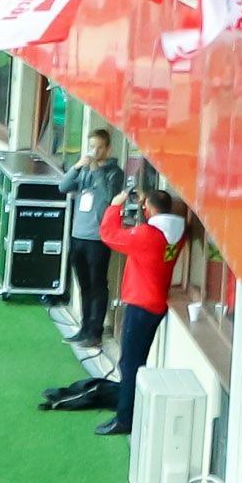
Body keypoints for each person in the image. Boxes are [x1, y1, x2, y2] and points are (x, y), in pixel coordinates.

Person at [96, 184, 189, 437]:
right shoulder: (178, 232)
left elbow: (109, 235)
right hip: (156, 303)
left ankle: (125, 418)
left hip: (140, 305)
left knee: (130, 363)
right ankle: (129, 409)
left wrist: (115, 206)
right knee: (136, 361)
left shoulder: (147, 235)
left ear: (148, 208)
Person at [60, 127, 127, 347]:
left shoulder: (114, 173)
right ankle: (84, 327)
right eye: (91, 147)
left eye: (99, 147)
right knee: (83, 284)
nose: (94, 151)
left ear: (108, 149)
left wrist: (97, 170)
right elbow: (63, 187)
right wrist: (76, 167)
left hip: (98, 238)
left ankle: (95, 331)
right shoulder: (84, 170)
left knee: (97, 284)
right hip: (78, 234)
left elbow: (109, 198)